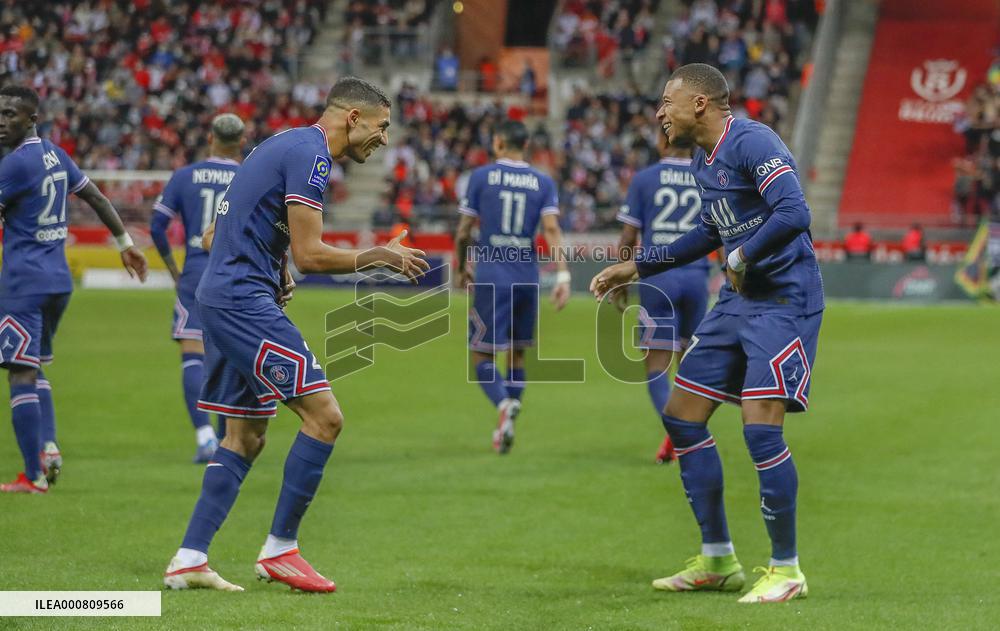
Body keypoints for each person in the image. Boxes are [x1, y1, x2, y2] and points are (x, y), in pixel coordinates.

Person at [163, 77, 429, 593]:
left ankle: (189, 558)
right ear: (353, 118)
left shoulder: (279, 144)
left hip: (224, 297)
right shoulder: (313, 157)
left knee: (245, 436)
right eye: (381, 127)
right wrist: (380, 256)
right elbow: (311, 255)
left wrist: (272, 263)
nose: (383, 139)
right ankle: (280, 550)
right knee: (325, 417)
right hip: (243, 302)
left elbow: (214, 234)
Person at [590, 63, 823, 603]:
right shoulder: (702, 158)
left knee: (761, 432)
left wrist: (741, 254)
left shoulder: (751, 140)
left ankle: (786, 569)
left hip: (784, 302)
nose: (659, 111)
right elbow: (710, 232)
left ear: (698, 104)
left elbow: (795, 211)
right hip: (737, 300)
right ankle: (718, 558)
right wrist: (639, 266)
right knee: (682, 416)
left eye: (666, 101)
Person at [0, 85, 148, 494]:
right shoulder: (55, 154)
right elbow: (96, 197)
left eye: (11, 114)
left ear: (32, 118)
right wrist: (125, 244)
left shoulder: (14, 165)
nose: (1, 120)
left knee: (19, 373)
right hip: (57, 282)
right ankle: (47, 447)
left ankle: (32, 476)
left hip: (22, 283)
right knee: (34, 363)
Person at [454, 119, 571, 454]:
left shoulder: (481, 176)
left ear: (500, 142)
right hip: (526, 275)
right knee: (518, 353)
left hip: (492, 273)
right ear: (528, 144)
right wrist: (562, 275)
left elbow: (464, 231)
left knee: (481, 355)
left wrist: (462, 268)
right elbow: (551, 230)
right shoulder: (543, 181)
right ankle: (507, 426)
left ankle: (503, 404)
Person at [150, 113, 245, 463]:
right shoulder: (249, 175)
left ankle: (205, 437)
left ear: (210, 138)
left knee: (192, 352)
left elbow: (157, 225)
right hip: (236, 273)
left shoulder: (185, 175)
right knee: (232, 355)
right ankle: (228, 439)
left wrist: (173, 269)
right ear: (242, 141)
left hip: (194, 271)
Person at [615, 129, 709, 464]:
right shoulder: (706, 176)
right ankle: (688, 433)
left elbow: (629, 236)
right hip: (697, 278)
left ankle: (678, 434)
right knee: (691, 367)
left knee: (657, 367)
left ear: (661, 141)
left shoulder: (644, 179)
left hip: (658, 279)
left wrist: (621, 277)